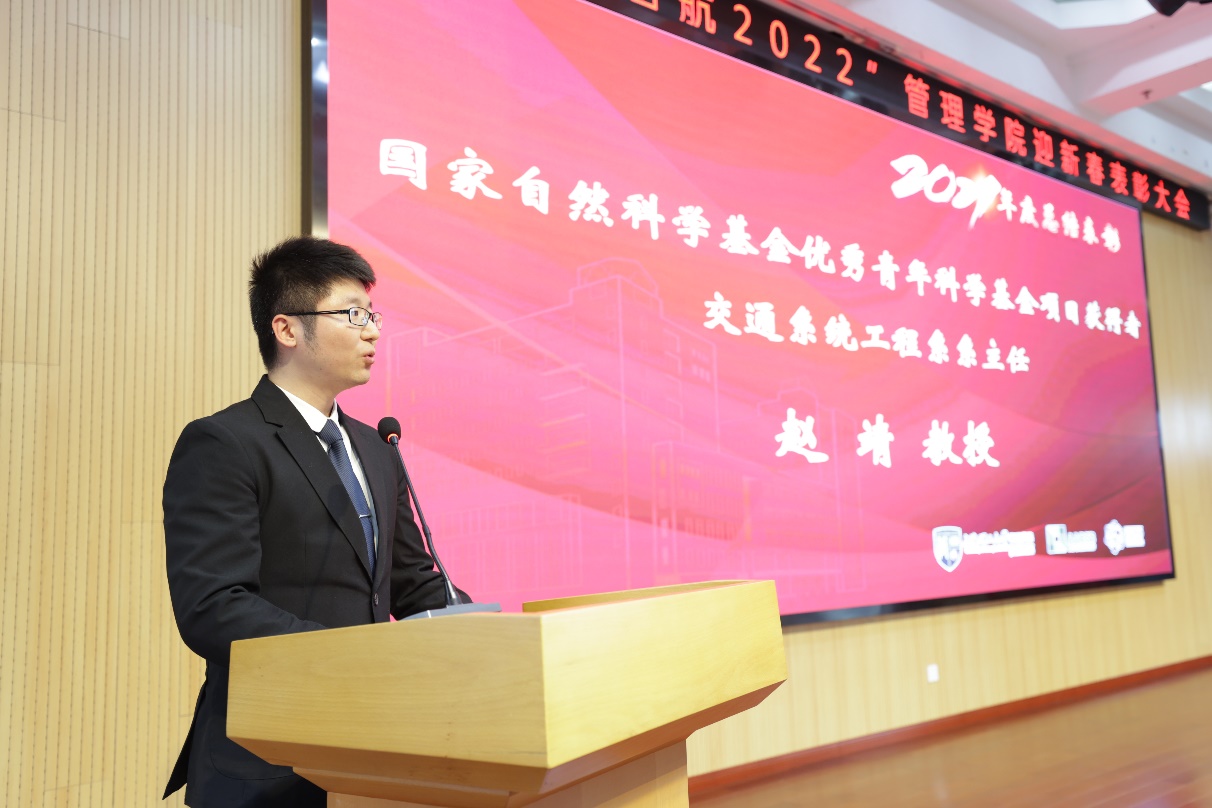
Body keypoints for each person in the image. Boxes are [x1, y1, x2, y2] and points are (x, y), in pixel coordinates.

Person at [162, 236, 454, 807]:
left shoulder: (378, 448)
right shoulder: (225, 443)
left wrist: (485, 635)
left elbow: (413, 582)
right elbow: (213, 606)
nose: (372, 331)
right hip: (268, 758)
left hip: (373, 749)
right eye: (352, 314)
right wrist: (354, 660)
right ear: (288, 329)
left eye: (372, 315)